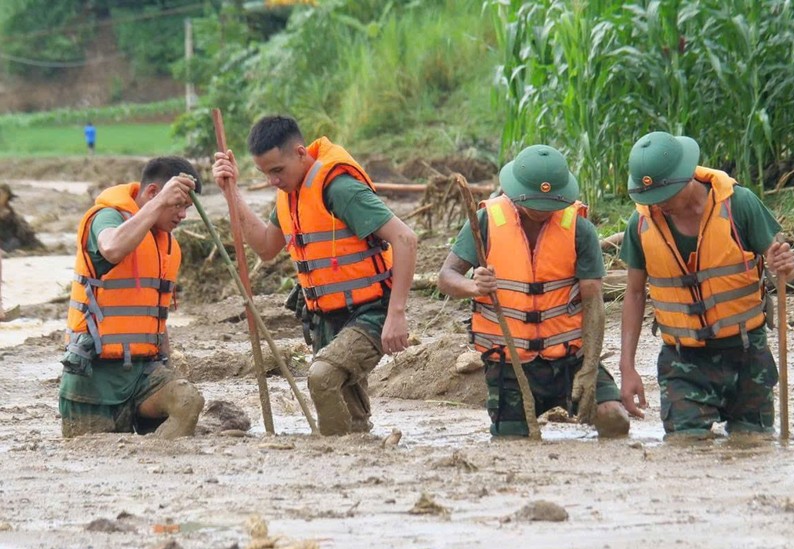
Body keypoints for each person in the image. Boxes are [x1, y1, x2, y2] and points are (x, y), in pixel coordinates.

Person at [212, 115, 417, 436]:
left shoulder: (339, 188)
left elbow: (405, 239)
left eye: (277, 170)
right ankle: (354, 462)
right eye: (265, 173)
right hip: (327, 320)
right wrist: (231, 192)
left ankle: (329, 453)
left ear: (300, 152)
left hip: (371, 312)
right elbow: (266, 247)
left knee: (322, 376)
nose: (272, 181)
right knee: (350, 417)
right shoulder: (289, 195)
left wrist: (397, 314)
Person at [437, 144, 630, 438]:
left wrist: (589, 368)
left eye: (550, 204)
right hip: (510, 365)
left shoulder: (579, 228)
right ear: (516, 194)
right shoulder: (488, 221)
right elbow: (446, 276)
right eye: (535, 204)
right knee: (512, 440)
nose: (542, 212)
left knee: (613, 419)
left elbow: (593, 301)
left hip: (570, 359)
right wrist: (474, 287)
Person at [618, 131, 794, 439]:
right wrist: (627, 366)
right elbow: (634, 294)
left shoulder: (739, 205)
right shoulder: (641, 224)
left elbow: (782, 264)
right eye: (651, 200)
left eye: (664, 197)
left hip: (747, 356)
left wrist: (786, 265)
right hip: (682, 363)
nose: (659, 206)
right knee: (684, 448)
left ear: (686, 177)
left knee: (753, 445)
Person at [59, 156, 205, 439]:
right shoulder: (107, 217)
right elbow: (112, 248)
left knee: (187, 400)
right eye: (178, 205)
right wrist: (158, 206)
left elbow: (156, 316)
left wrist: (168, 365)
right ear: (152, 193)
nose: (183, 215)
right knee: (95, 461)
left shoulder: (165, 244)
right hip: (93, 380)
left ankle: (156, 463)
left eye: (187, 208)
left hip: (143, 375)